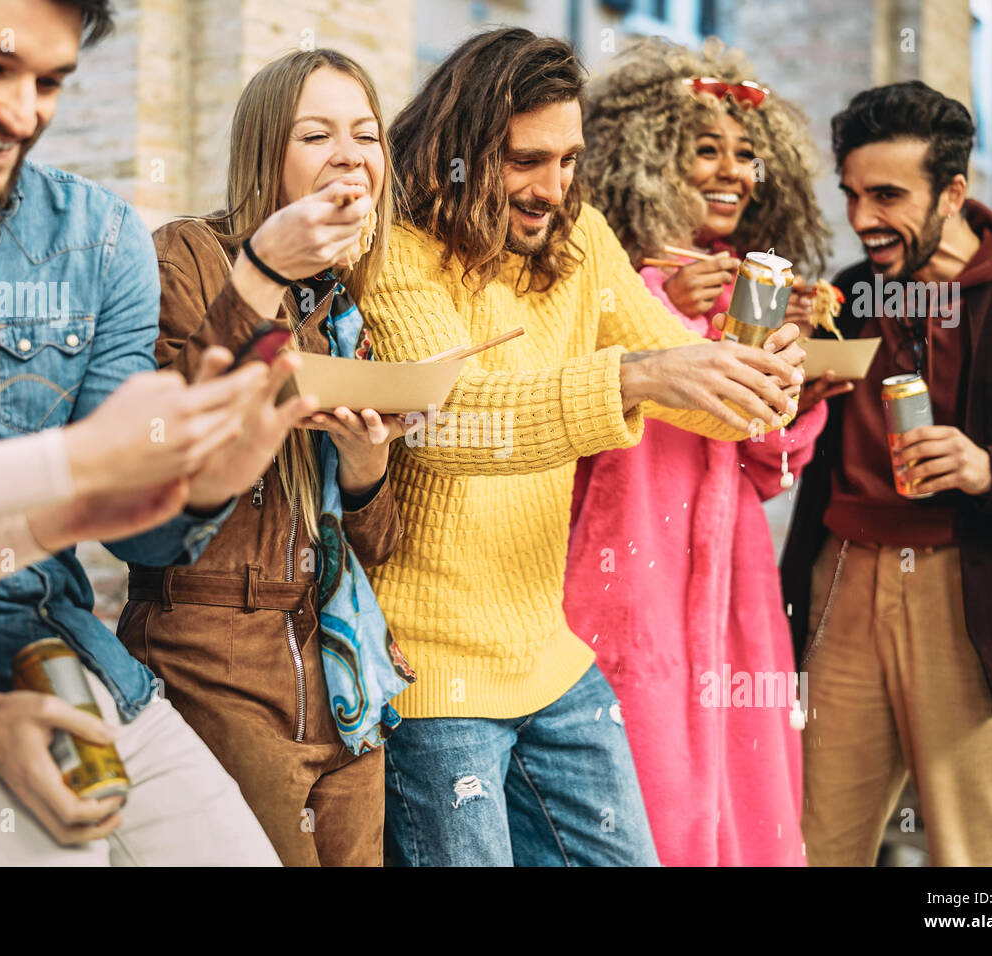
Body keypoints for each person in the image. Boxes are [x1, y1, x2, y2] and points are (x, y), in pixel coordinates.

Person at [0, 0, 302, 866]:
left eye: (50, 82)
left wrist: (206, 480)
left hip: (61, 647)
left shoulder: (100, 238)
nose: (25, 112)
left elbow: (134, 533)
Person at [357, 27, 806, 866]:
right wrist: (634, 377)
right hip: (431, 677)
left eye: (568, 161)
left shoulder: (580, 237)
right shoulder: (398, 255)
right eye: (526, 160)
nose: (552, 188)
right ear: (458, 150)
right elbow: (451, 420)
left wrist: (762, 379)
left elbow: (686, 383)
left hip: (553, 658)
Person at [780, 80, 992, 866]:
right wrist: (790, 388)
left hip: (975, 601)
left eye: (887, 195)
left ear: (954, 191)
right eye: (853, 194)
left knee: (971, 863)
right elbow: (785, 445)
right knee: (808, 845)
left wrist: (988, 468)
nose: (862, 220)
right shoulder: (847, 296)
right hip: (840, 585)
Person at [119, 49, 415, 867]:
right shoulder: (190, 254)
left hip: (340, 668)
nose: (351, 154)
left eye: (367, 134)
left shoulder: (349, 309)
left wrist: (365, 465)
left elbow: (376, 548)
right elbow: (160, 436)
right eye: (317, 134)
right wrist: (259, 283)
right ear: (263, 155)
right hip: (211, 646)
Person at [564, 37, 838, 866]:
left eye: (746, 156)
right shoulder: (595, 274)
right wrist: (661, 303)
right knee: (642, 784)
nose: (731, 172)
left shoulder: (749, 286)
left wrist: (800, 397)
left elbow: (762, 471)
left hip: (731, 583)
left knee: (742, 783)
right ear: (645, 160)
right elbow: (568, 401)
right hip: (625, 566)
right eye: (704, 151)